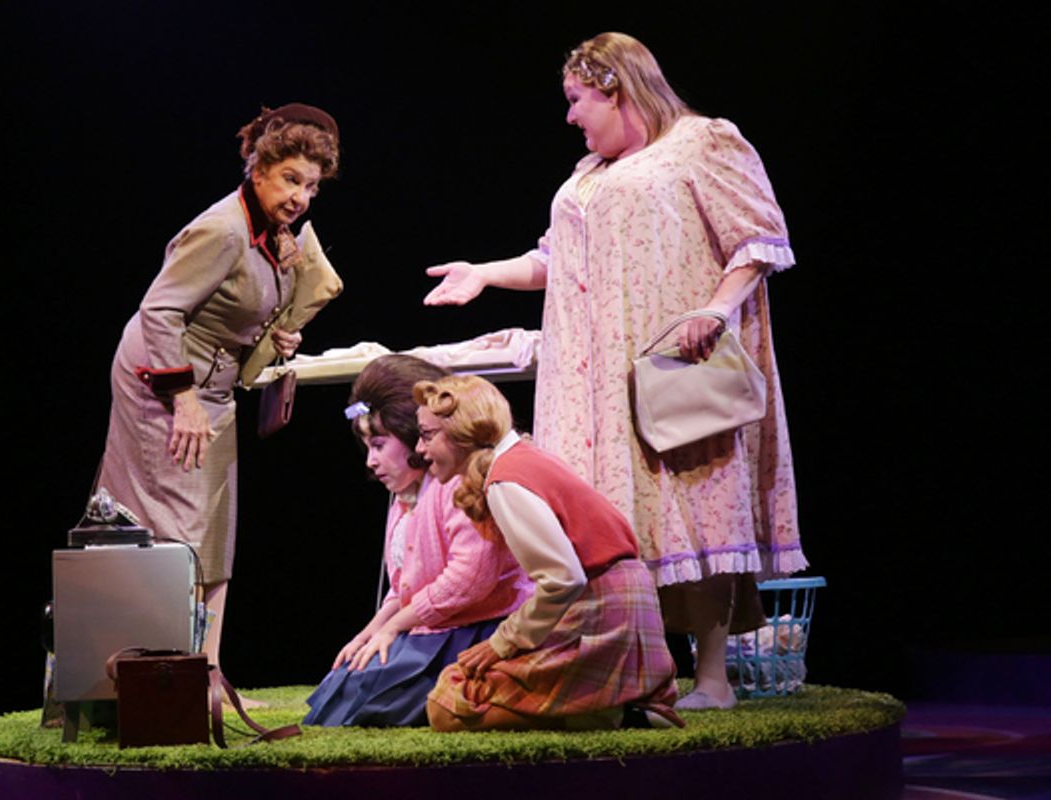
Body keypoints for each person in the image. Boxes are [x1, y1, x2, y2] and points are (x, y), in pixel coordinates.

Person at [424, 33, 806, 710]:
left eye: (577, 100)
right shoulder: (589, 173)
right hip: (589, 380)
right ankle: (633, 674)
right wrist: (483, 273)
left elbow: (758, 237)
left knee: (691, 501)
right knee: (609, 518)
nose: (571, 117)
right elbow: (553, 260)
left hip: (667, 360)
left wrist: (716, 312)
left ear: (616, 90)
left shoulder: (702, 143)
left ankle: (712, 679)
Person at [96, 103, 340, 695]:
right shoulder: (222, 228)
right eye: (291, 180)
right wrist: (181, 399)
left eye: (311, 186)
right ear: (258, 169)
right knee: (176, 527)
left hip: (213, 387)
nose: (302, 197)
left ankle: (207, 674)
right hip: (164, 384)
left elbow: (242, 305)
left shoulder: (275, 233)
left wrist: (276, 332)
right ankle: (157, 679)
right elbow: (160, 310)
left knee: (213, 531)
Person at [414, 375, 680, 732]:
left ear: (462, 433)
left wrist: (503, 642)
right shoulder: (521, 458)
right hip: (620, 603)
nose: (419, 448)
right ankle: (619, 710)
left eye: (428, 435)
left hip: (601, 612)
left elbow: (564, 579)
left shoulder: (505, 480)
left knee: (448, 706)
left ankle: (609, 715)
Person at [304, 355, 531, 727]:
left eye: (379, 445)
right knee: (343, 685)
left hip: (478, 628)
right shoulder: (404, 497)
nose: (371, 462)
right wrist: (370, 631)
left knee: (369, 700)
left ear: (414, 435)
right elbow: (404, 586)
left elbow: (468, 580)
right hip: (436, 626)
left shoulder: (459, 484)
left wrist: (395, 627)